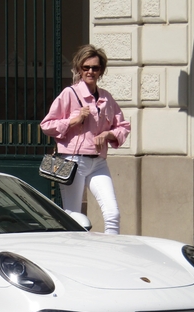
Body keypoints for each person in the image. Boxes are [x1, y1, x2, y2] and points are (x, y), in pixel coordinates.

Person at [40, 44, 130, 234]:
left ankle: (110, 255)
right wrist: (73, 121)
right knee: (73, 216)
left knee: (113, 214)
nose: (90, 71)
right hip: (73, 161)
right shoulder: (69, 94)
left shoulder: (106, 98)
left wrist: (108, 134)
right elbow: (46, 125)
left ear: (101, 71)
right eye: (86, 67)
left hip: (98, 162)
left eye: (95, 68)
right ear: (79, 69)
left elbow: (123, 126)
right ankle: (74, 254)